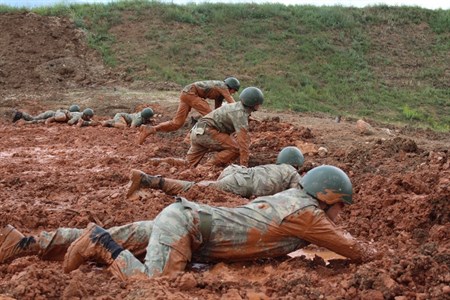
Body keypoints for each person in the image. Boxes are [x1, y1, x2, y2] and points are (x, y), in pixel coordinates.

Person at [0, 165, 379, 281]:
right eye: (341, 206)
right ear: (329, 198)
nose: (341, 213)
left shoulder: (290, 198)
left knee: (131, 235)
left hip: (185, 221)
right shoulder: (308, 215)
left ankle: (25, 243)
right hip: (188, 227)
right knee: (154, 284)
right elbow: (355, 250)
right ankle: (102, 244)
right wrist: (385, 252)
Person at [126, 146, 305, 199]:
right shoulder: (292, 173)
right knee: (198, 189)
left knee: (209, 188)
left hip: (235, 172)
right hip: (242, 183)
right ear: (297, 164)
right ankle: (149, 180)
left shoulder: (275, 167)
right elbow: (299, 196)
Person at [138, 77, 240, 145]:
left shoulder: (220, 95)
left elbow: (218, 111)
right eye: (234, 91)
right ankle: (188, 138)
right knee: (209, 117)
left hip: (185, 93)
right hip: (191, 93)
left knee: (177, 123)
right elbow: (232, 103)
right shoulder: (222, 86)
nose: (233, 93)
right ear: (230, 87)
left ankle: (151, 129)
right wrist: (243, 111)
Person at [186, 86, 264, 168]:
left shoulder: (236, 106)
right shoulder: (240, 115)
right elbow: (242, 143)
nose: (259, 106)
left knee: (188, 164)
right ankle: (207, 167)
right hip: (207, 132)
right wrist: (244, 167)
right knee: (236, 148)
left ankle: (171, 162)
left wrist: (249, 119)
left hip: (197, 132)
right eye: (258, 104)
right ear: (253, 104)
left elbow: (230, 116)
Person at [12, 104, 80, 124]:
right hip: (51, 114)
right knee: (34, 119)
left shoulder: (67, 113)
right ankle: (20, 115)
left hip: (51, 113)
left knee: (35, 118)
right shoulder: (67, 114)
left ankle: (21, 116)